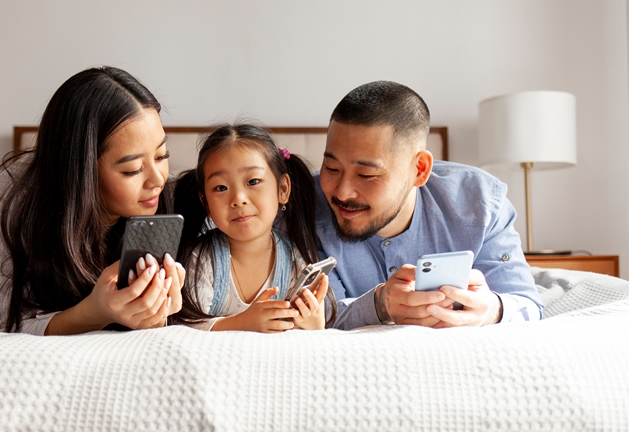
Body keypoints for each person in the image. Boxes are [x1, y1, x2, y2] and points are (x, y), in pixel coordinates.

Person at [0, 66, 185, 335]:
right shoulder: (10, 202)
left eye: (161, 156)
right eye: (132, 169)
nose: (157, 179)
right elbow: (10, 320)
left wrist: (156, 313)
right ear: (81, 170)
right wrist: (97, 311)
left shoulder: (173, 198)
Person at [315, 81, 543, 330]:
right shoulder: (299, 204)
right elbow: (311, 315)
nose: (342, 191)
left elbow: (527, 305)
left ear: (420, 170)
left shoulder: (481, 202)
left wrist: (492, 310)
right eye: (332, 168)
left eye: (366, 175)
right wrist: (379, 306)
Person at [170, 124, 336, 332]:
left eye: (253, 181)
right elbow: (186, 328)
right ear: (206, 204)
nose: (238, 199)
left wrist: (312, 321)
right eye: (221, 188)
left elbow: (308, 333)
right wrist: (243, 323)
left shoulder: (294, 259)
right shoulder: (202, 258)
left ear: (282, 189)